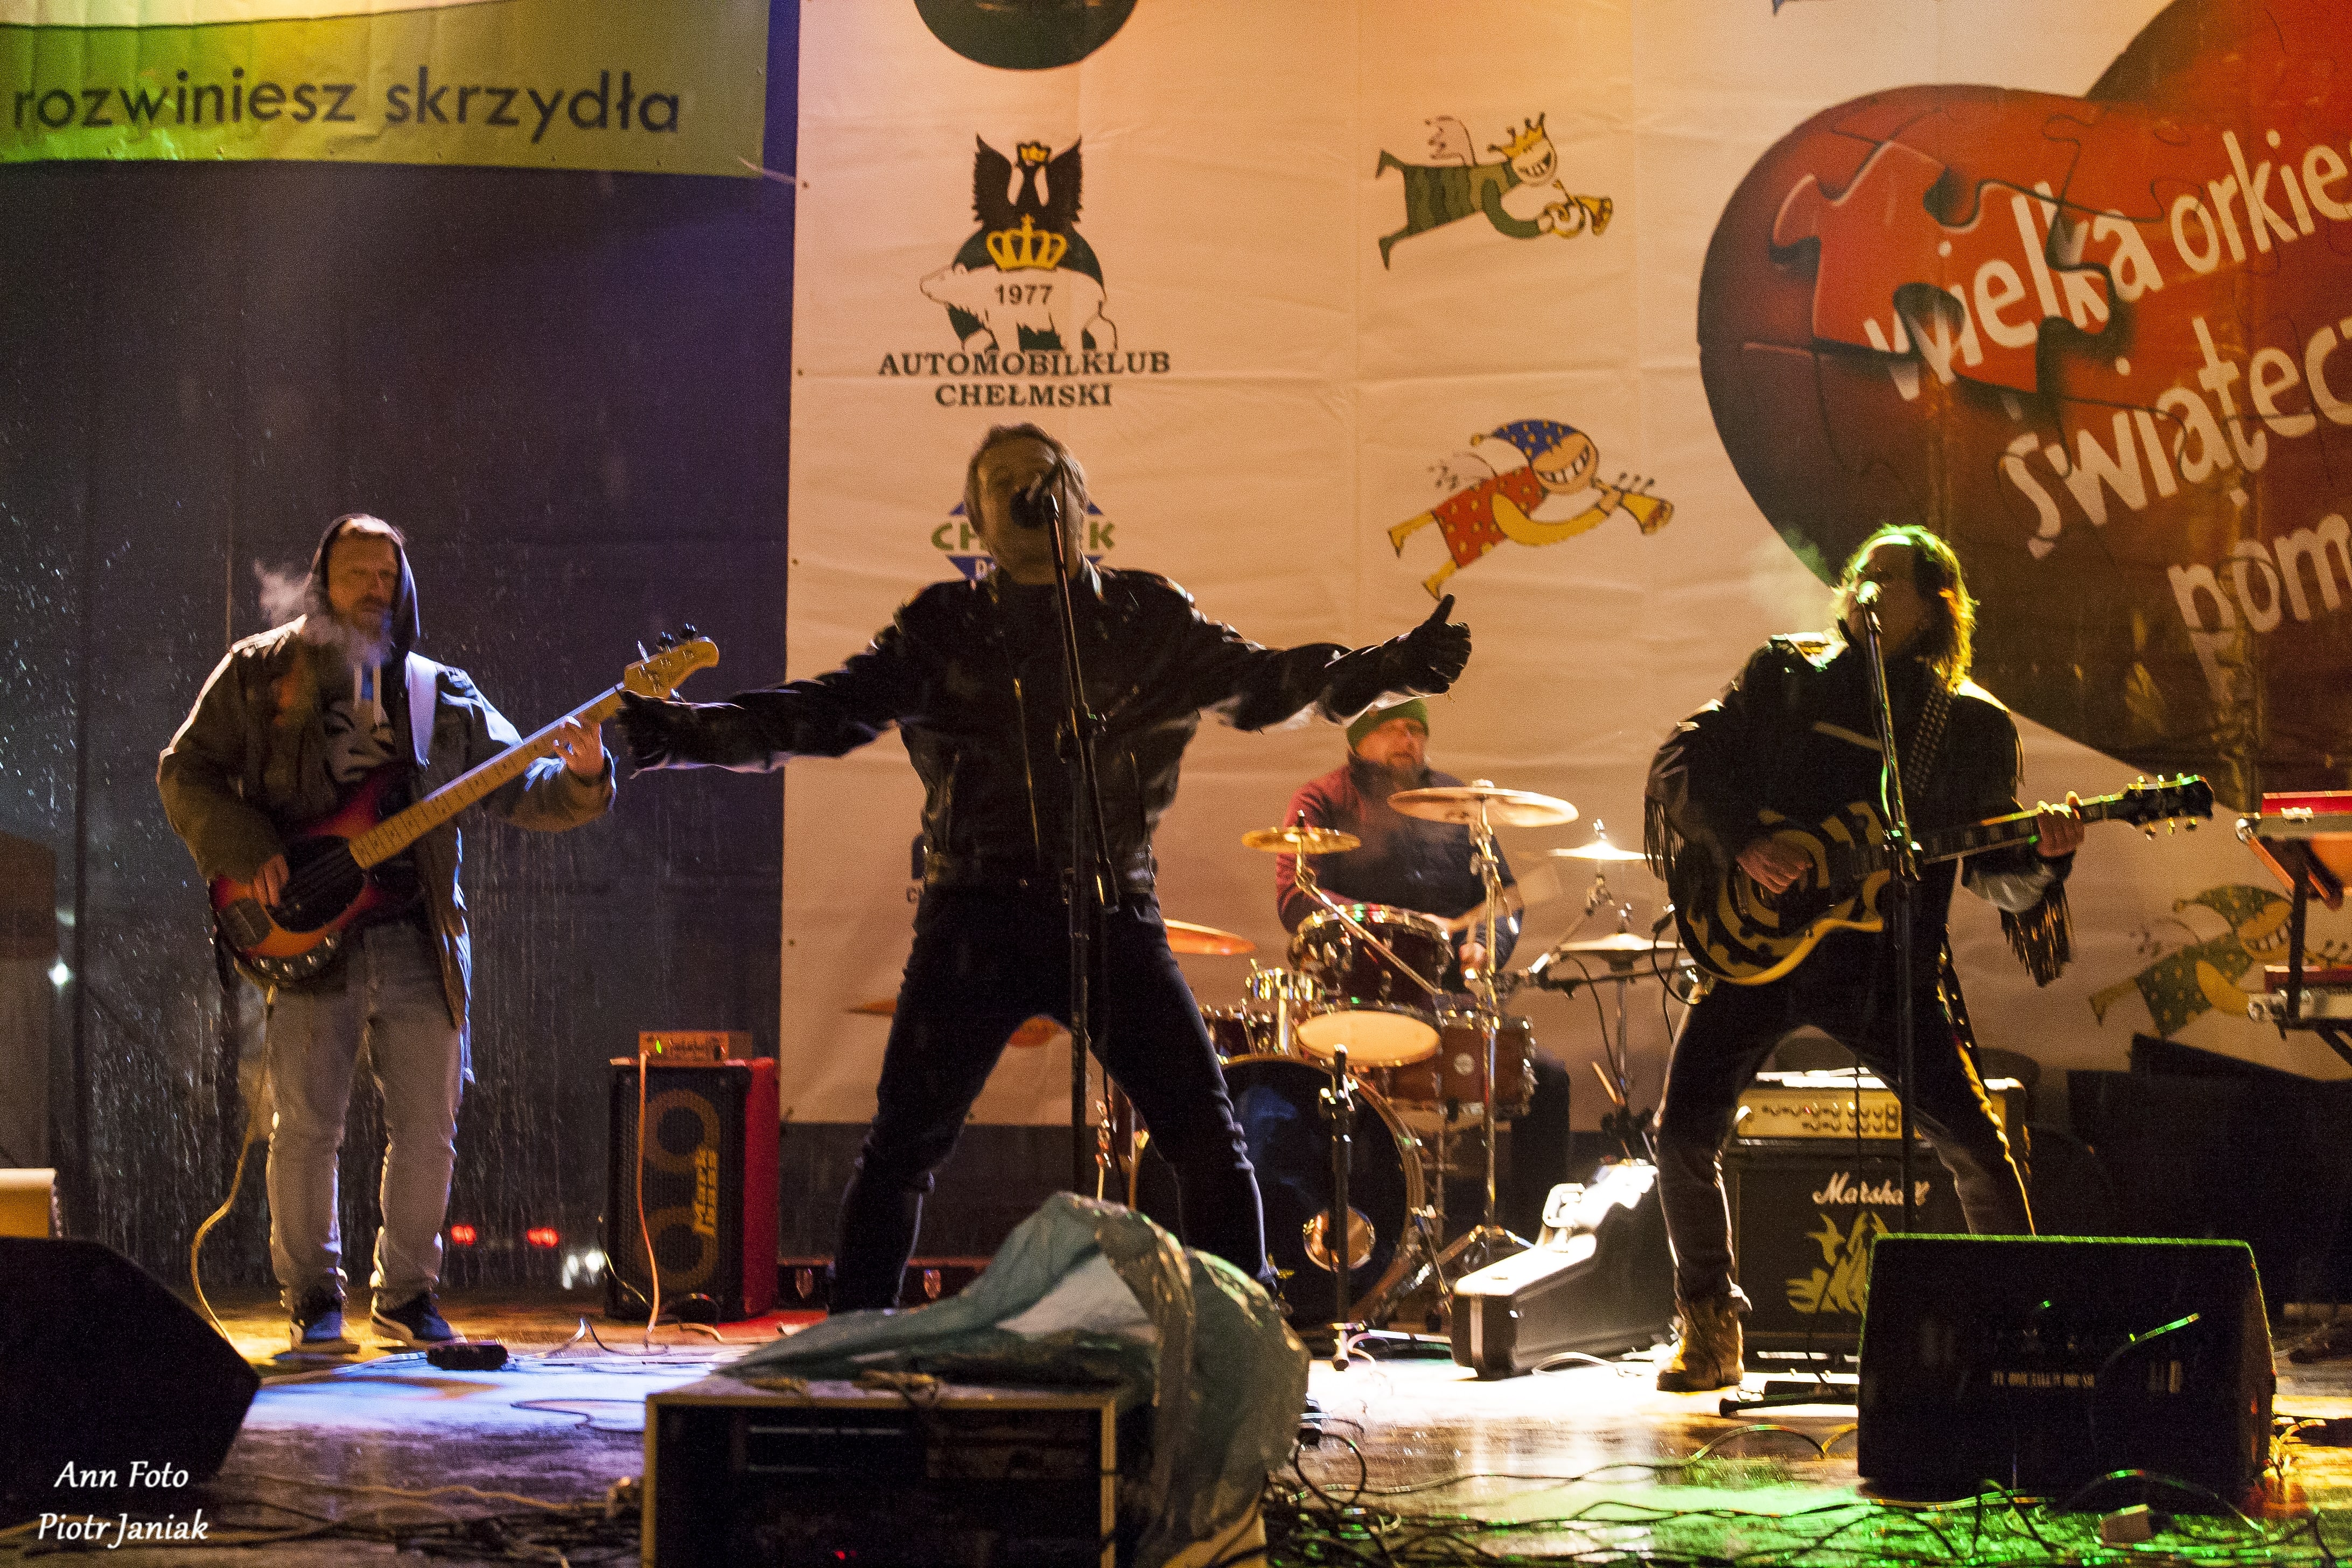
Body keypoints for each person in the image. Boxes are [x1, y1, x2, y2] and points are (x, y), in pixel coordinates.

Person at [615, 423, 1472, 1312]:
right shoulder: (941, 629)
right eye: (1009, 481)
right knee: (903, 1146)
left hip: (1111, 911)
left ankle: (1244, 1332)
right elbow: (825, 712)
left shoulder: (1146, 621)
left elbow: (1270, 684)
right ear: (978, 517)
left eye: (1051, 474)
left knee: (1205, 1133)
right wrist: (688, 734)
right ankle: (854, 1335)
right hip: (973, 917)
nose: (1034, 490)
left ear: (1079, 501)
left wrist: (1386, 670)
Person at [1641, 524, 2083, 1392]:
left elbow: (1996, 875)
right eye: (1858, 575)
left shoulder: (1966, 722)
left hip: (1882, 966)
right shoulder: (1786, 673)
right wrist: (1746, 841)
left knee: (1975, 1146)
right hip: (1754, 948)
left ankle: (2023, 1327)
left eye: (1888, 577)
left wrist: (2047, 857)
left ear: (1937, 605)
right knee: (1683, 1134)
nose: (1865, 590)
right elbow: (1680, 760)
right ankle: (1710, 1325)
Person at [159, 515, 613, 1352]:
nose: (374, 589)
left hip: (419, 936)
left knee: (429, 1129)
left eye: (386, 577)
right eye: (357, 574)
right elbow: (184, 772)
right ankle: (312, 1300)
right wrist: (249, 850)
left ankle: (407, 1297)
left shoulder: (441, 691)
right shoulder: (259, 672)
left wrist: (584, 775)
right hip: (304, 932)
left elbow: (522, 788)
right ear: (322, 582)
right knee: (306, 1129)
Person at [1272, 700, 1574, 1240]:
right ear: (1359, 737)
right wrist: (1397, 921)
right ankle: (1361, 1243)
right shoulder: (1321, 799)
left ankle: (1538, 1242)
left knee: (1546, 1081)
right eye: (1392, 728)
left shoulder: (1459, 803)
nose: (1407, 739)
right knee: (1329, 1105)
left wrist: (1486, 945)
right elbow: (1297, 899)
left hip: (1448, 1007)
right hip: (1357, 1013)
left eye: (1416, 729)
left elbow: (1502, 899)